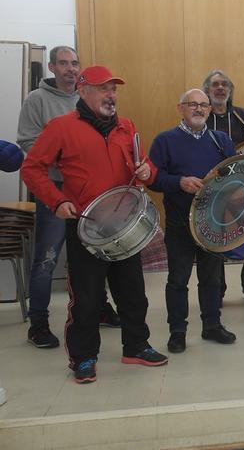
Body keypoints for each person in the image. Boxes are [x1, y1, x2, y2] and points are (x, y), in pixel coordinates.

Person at [21, 65, 168, 383]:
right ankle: (84, 358)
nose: (111, 95)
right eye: (103, 88)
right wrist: (57, 201)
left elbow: (146, 167)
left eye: (113, 89)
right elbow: (32, 168)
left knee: (133, 293)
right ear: (83, 91)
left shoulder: (127, 127)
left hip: (124, 227)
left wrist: (148, 172)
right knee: (86, 299)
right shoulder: (60, 127)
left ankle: (136, 347)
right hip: (85, 226)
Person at [16, 46, 120, 349]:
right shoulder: (37, 100)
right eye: (63, 63)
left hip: (89, 194)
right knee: (47, 258)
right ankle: (38, 323)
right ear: (51, 67)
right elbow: (26, 140)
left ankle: (100, 308)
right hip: (54, 191)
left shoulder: (87, 97)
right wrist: (65, 158)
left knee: (95, 252)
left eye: (75, 63)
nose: (70, 69)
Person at [148, 89, 238, 354]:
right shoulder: (165, 140)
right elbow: (153, 179)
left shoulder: (221, 140)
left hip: (213, 223)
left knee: (211, 278)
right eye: (192, 105)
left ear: (210, 110)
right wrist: (179, 182)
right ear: (180, 108)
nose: (198, 109)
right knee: (178, 279)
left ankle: (212, 325)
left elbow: (235, 178)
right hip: (179, 223)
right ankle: (177, 332)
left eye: (203, 105)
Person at [202, 69, 244, 305]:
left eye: (224, 84)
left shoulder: (241, 115)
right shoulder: (202, 116)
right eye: (215, 84)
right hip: (214, 186)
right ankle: (218, 289)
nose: (220, 88)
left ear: (230, 90)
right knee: (217, 238)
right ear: (207, 90)